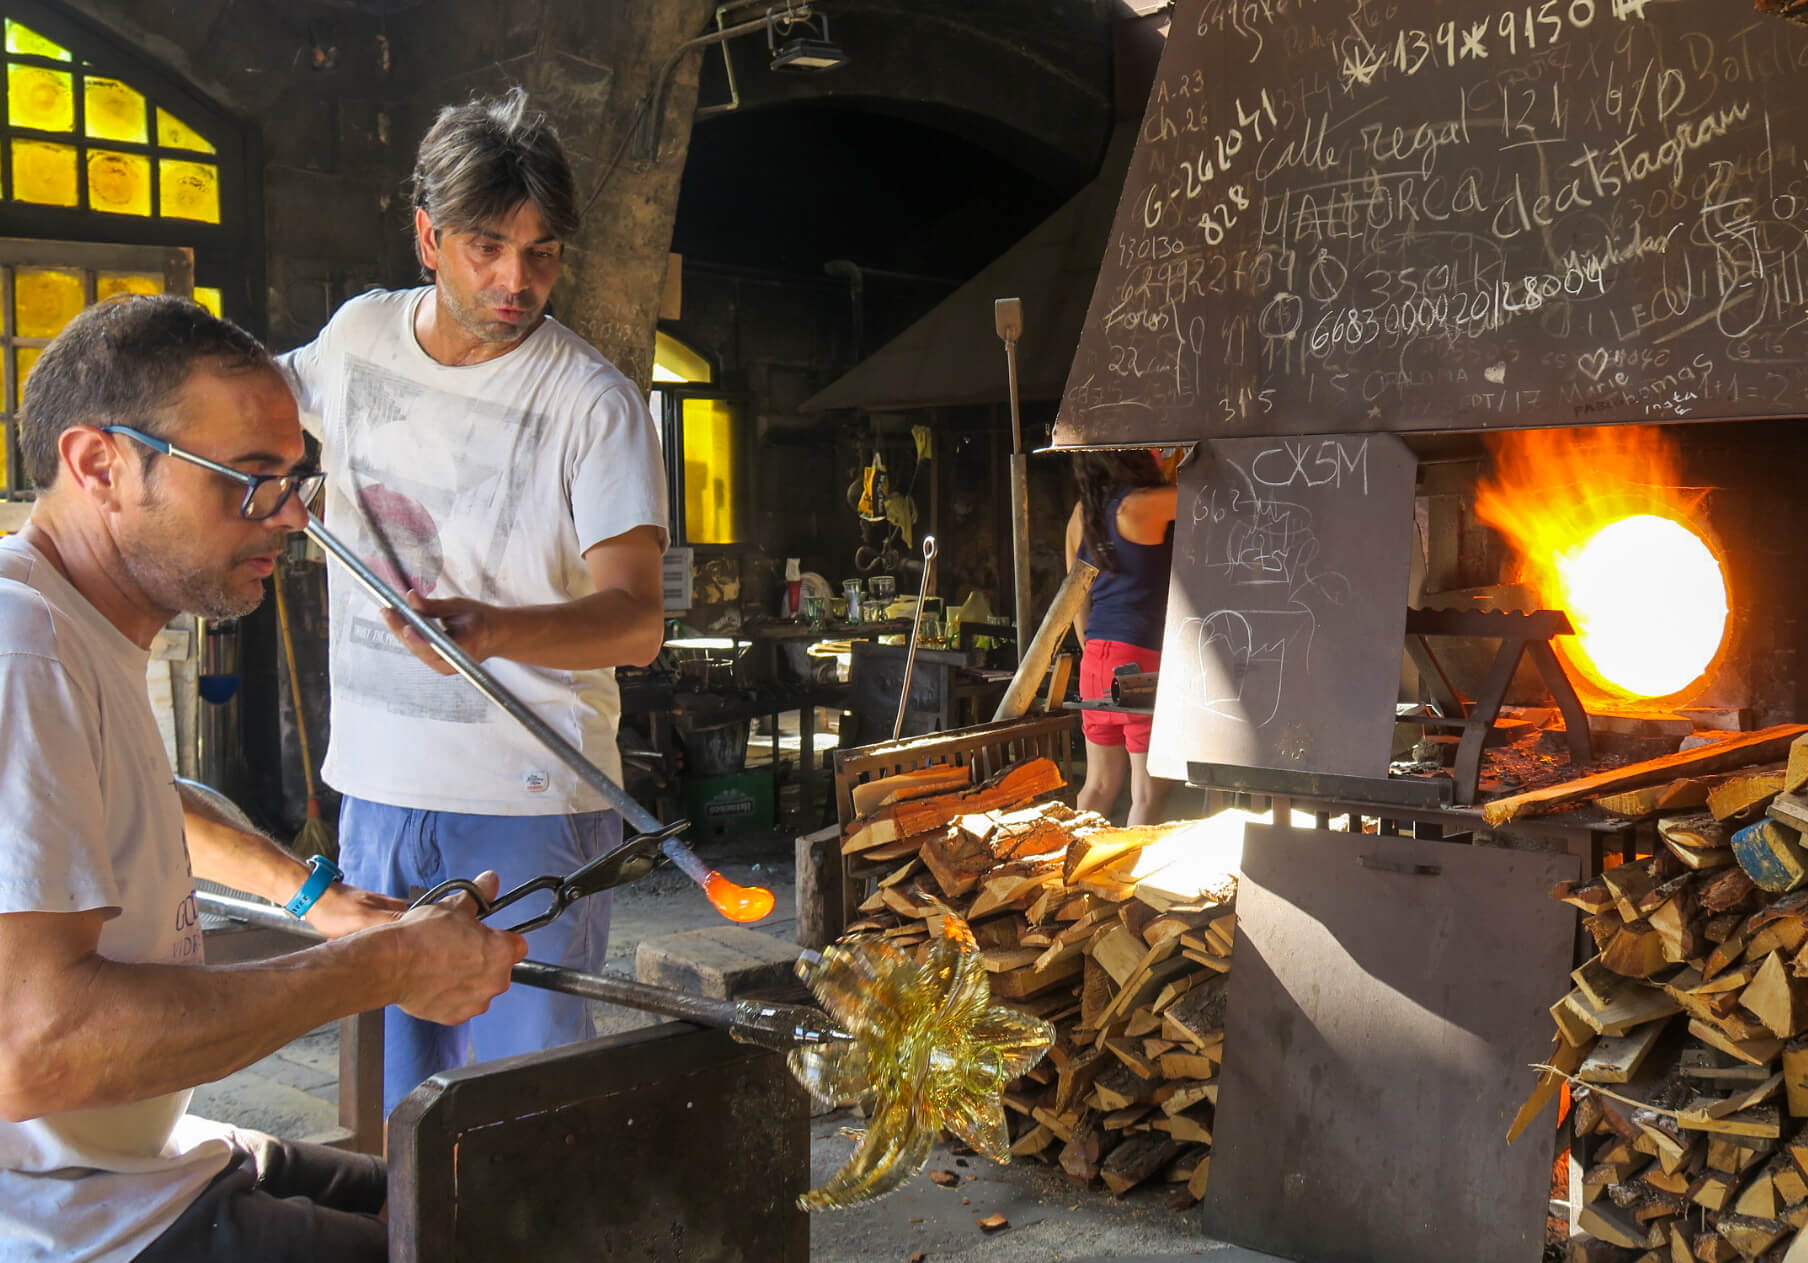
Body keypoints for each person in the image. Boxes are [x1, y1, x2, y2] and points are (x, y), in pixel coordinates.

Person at [0, 293, 528, 1263]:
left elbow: (145, 802)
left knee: (474, 1200)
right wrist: (388, 967)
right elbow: (35, 1047)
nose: (287, 518)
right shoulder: (20, 646)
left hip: (132, 1156)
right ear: (99, 466)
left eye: (295, 480)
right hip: (58, 1221)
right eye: (247, 480)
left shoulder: (71, 624)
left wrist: (323, 900)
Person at [279, 88, 668, 1116]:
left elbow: (635, 620)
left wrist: (496, 630)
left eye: (540, 254)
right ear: (427, 236)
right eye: (487, 246)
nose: (514, 282)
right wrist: (253, 478)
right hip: (377, 790)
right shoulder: (358, 340)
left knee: (514, 1107)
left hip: (529, 802)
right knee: (393, 1100)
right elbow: (252, 407)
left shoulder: (592, 403)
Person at [1063, 450, 1179, 826]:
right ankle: (1129, 883)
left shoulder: (1082, 515)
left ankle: (1073, 874)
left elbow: (1075, 600)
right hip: (1138, 659)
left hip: (1094, 657)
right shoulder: (1143, 506)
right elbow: (1215, 493)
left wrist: (1093, 655)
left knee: (1097, 786)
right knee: (1147, 793)